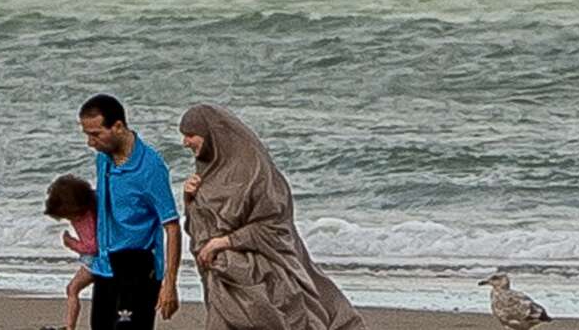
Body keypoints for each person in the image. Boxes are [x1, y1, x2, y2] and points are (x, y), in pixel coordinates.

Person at [179, 104, 364, 330]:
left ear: (211, 135)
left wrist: (224, 242)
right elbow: (203, 226)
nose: (184, 143)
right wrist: (190, 199)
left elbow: (275, 226)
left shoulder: (255, 172)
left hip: (261, 275)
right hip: (221, 275)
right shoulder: (210, 169)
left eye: (190, 135)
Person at [77, 94, 181, 329]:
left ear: (118, 126)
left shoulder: (150, 167)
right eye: (87, 135)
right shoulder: (103, 159)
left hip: (139, 264)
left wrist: (169, 284)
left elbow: (172, 226)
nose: (90, 143)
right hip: (105, 263)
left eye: (95, 134)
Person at [45, 175, 99, 330]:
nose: (69, 219)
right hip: (97, 259)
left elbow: (92, 246)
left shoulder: (84, 218)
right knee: (73, 289)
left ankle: (70, 327)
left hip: (94, 260)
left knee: (72, 289)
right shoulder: (90, 208)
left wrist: (72, 244)